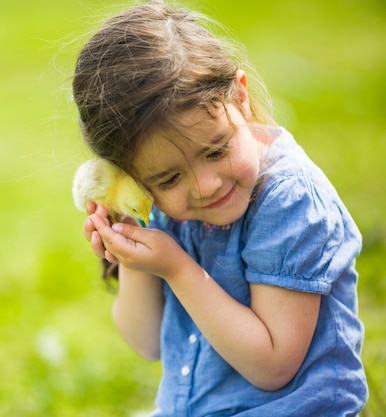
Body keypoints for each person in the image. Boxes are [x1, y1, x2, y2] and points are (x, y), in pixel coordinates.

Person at [72, 2, 368, 415]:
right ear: (132, 178)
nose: (206, 186)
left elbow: (273, 365)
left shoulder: (288, 200)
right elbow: (147, 343)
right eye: (170, 178)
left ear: (241, 97)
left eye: (217, 149)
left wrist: (177, 267)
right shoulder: (155, 205)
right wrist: (135, 258)